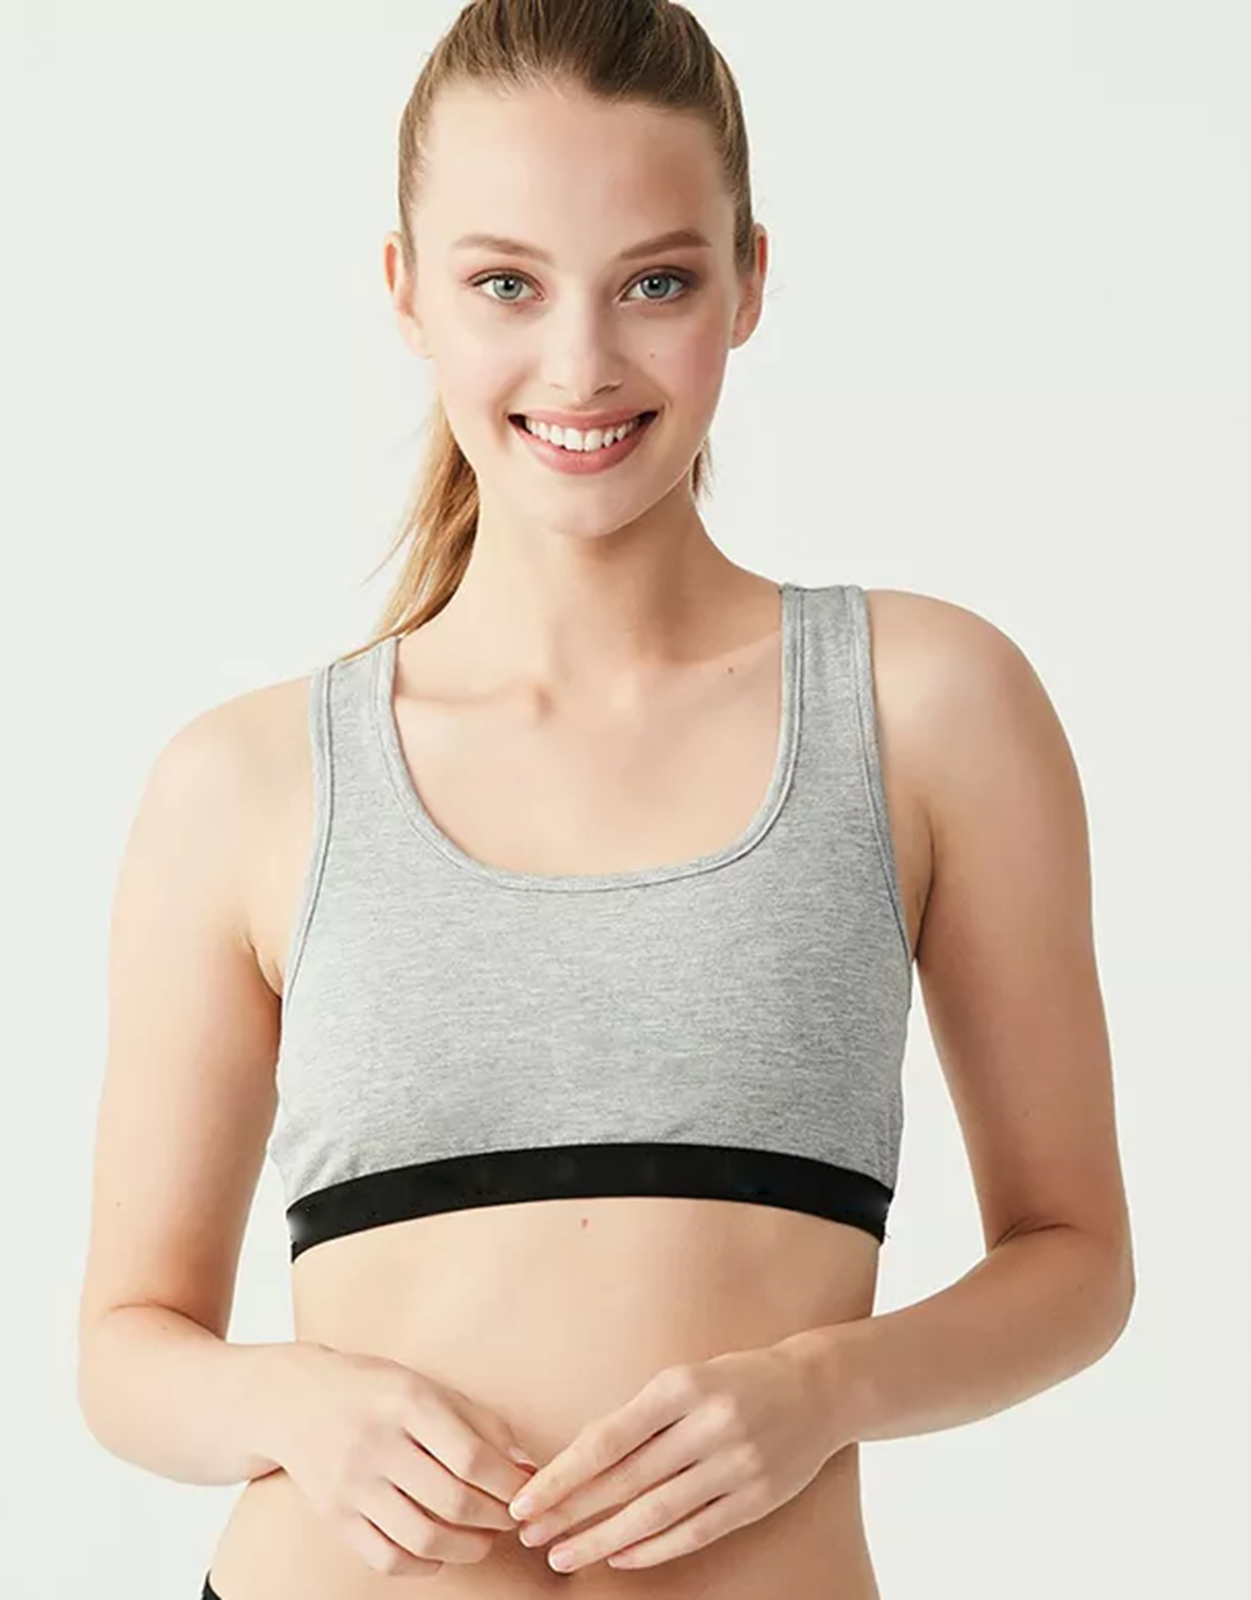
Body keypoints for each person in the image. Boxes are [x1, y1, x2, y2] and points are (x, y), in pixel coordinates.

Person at [76, 3, 1136, 1597]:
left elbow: (1075, 1261)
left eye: (655, 282)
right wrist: (293, 1404)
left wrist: (821, 1389)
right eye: (504, 283)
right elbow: (125, 1348)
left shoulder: (923, 707)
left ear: (748, 281)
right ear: (406, 291)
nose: (579, 364)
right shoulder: (243, 782)